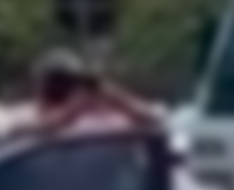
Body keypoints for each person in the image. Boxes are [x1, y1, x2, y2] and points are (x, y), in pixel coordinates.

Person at [17, 49, 161, 139]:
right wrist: (67, 115)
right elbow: (18, 133)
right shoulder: (26, 119)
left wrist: (114, 97)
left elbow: (155, 123)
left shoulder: (105, 122)